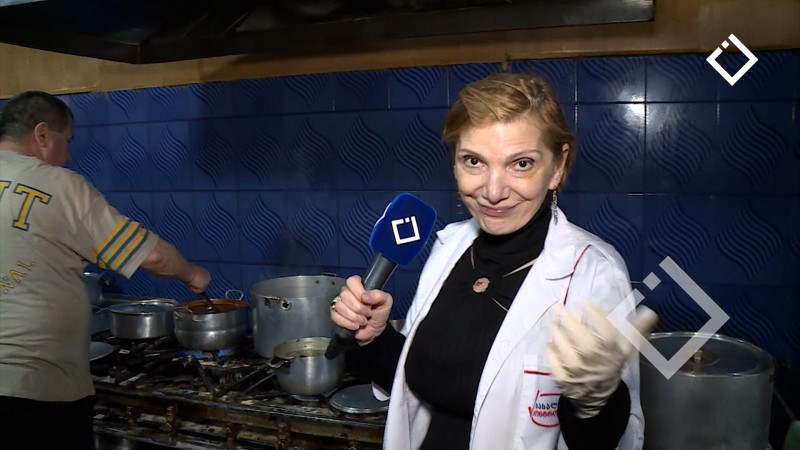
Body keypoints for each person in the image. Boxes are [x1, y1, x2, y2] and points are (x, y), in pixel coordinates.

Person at [330, 73, 658, 450]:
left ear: (557, 166)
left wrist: (596, 403)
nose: (493, 191)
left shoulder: (594, 273)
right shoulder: (449, 247)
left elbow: (616, 441)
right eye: (474, 161)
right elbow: (420, 390)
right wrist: (375, 338)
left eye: (521, 164)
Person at [0, 91, 211, 450]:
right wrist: (192, 275)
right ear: (42, 134)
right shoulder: (58, 185)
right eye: (67, 141)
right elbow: (152, 256)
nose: (67, 156)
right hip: (35, 386)